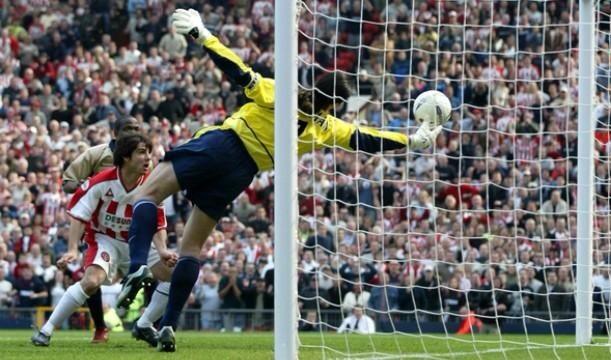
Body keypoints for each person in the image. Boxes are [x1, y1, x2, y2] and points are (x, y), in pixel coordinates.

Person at [117, 8, 443, 352]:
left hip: (222, 145)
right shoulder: (326, 127)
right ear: (335, 106)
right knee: (192, 249)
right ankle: (168, 325)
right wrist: (413, 140)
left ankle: (138, 267)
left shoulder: (282, 94)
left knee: (146, 195)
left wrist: (202, 34)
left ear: (316, 84)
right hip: (242, 172)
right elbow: (368, 139)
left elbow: (238, 71)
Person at [31, 134, 177, 347]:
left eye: (149, 152)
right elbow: (79, 215)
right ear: (126, 157)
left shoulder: (153, 185)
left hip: (139, 241)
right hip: (105, 238)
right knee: (90, 282)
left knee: (176, 277)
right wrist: (72, 249)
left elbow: (157, 222)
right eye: (142, 152)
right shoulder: (101, 182)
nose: (148, 158)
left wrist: (163, 250)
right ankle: (46, 330)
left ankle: (144, 324)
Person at [60, 116, 140, 343]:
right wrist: (92, 185)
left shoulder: (145, 158)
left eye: (136, 128)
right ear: (115, 133)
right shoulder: (96, 155)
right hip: (100, 226)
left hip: (131, 223)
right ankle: (100, 327)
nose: (133, 132)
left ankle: (146, 323)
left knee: (149, 269)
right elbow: (67, 182)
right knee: (93, 277)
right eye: (127, 129)